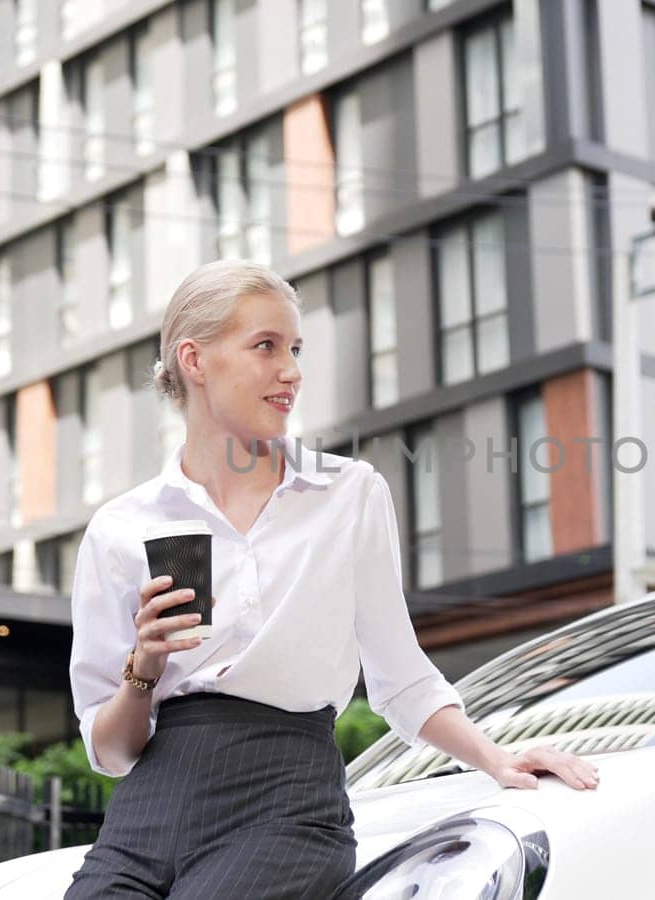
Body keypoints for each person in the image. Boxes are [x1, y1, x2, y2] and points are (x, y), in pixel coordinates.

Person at [63, 260, 600, 899]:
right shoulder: (124, 527)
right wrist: (144, 663)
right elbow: (113, 752)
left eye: (295, 349)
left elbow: (400, 676)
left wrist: (496, 755)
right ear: (195, 361)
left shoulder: (347, 494)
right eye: (265, 346)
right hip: (148, 806)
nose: (291, 370)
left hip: (285, 798)